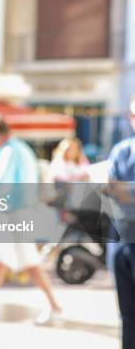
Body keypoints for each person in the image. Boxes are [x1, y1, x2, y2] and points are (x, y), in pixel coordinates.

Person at [0, 113, 62, 325]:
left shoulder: (8, 151)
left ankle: (53, 304)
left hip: (15, 213)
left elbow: (2, 183)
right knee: (1, 258)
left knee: (28, 260)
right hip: (22, 210)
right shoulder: (21, 147)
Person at [107, 96, 135, 349]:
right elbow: (112, 190)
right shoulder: (121, 151)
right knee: (126, 314)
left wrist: (127, 193)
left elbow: (121, 191)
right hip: (122, 242)